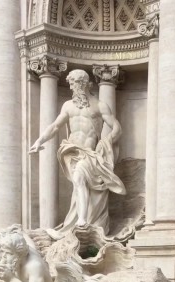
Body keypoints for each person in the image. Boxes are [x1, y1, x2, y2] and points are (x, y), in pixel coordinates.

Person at [28, 68, 125, 239]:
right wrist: (39, 141)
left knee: (80, 178)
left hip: (89, 152)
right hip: (72, 151)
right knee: (78, 187)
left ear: (81, 83)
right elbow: (55, 126)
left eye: (73, 84)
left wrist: (107, 141)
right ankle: (77, 222)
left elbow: (116, 127)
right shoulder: (68, 106)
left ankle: (82, 220)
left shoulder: (99, 105)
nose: (71, 87)